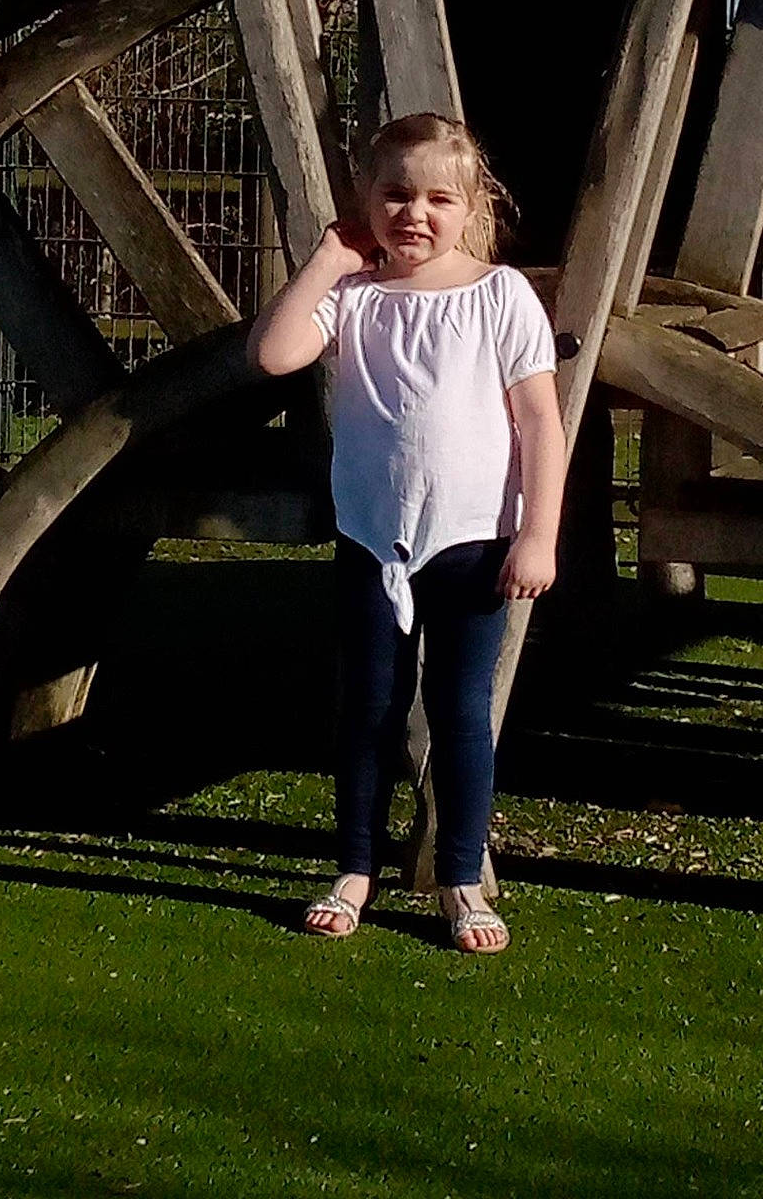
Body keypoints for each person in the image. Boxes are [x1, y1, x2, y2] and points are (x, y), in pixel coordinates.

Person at [247, 111, 567, 953]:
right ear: (366, 201)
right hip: (372, 537)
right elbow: (275, 355)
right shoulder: (353, 299)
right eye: (395, 194)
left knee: (460, 712)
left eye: (437, 198)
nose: (414, 214)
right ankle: (355, 867)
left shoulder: (502, 296)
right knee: (369, 710)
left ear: (472, 207)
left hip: (473, 540)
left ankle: (462, 877)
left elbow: (541, 421)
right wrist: (325, 261)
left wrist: (540, 535)